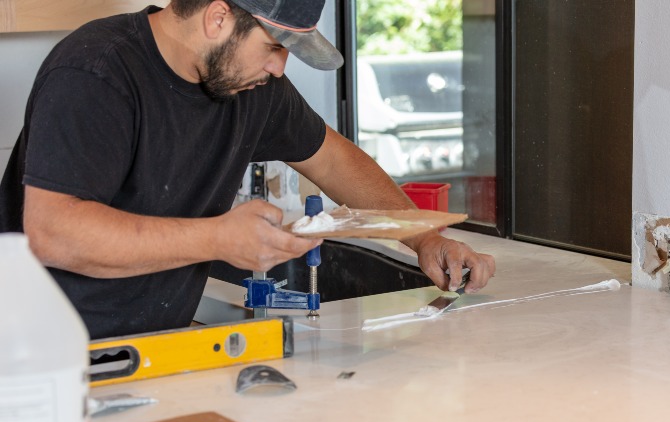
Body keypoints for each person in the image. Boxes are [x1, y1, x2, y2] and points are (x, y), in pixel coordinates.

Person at [0, 0, 495, 340]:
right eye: (274, 46)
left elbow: (334, 158)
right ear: (218, 18)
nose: (280, 68)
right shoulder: (97, 72)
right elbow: (53, 233)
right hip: (40, 356)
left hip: (151, 347)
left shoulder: (252, 88)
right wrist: (217, 239)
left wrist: (425, 238)